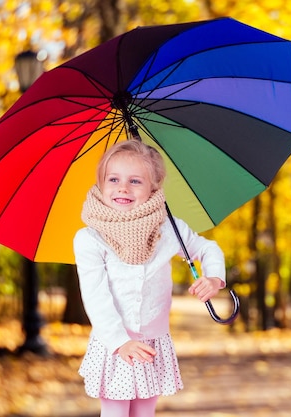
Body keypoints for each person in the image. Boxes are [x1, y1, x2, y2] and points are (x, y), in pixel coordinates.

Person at [73, 139, 226, 417]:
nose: (122, 188)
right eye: (114, 179)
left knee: (144, 412)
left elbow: (207, 248)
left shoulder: (168, 229)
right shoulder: (90, 238)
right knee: (116, 412)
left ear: (154, 188)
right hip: (116, 342)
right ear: (101, 183)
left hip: (153, 342)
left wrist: (214, 277)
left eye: (135, 181)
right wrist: (120, 342)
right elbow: (96, 297)